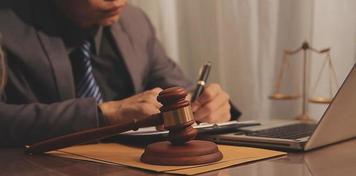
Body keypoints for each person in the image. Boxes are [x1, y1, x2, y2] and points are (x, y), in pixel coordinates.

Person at [0, 0, 241, 147]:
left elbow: (177, 88)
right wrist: (105, 115)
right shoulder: (7, 24)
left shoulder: (135, 22)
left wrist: (205, 105)